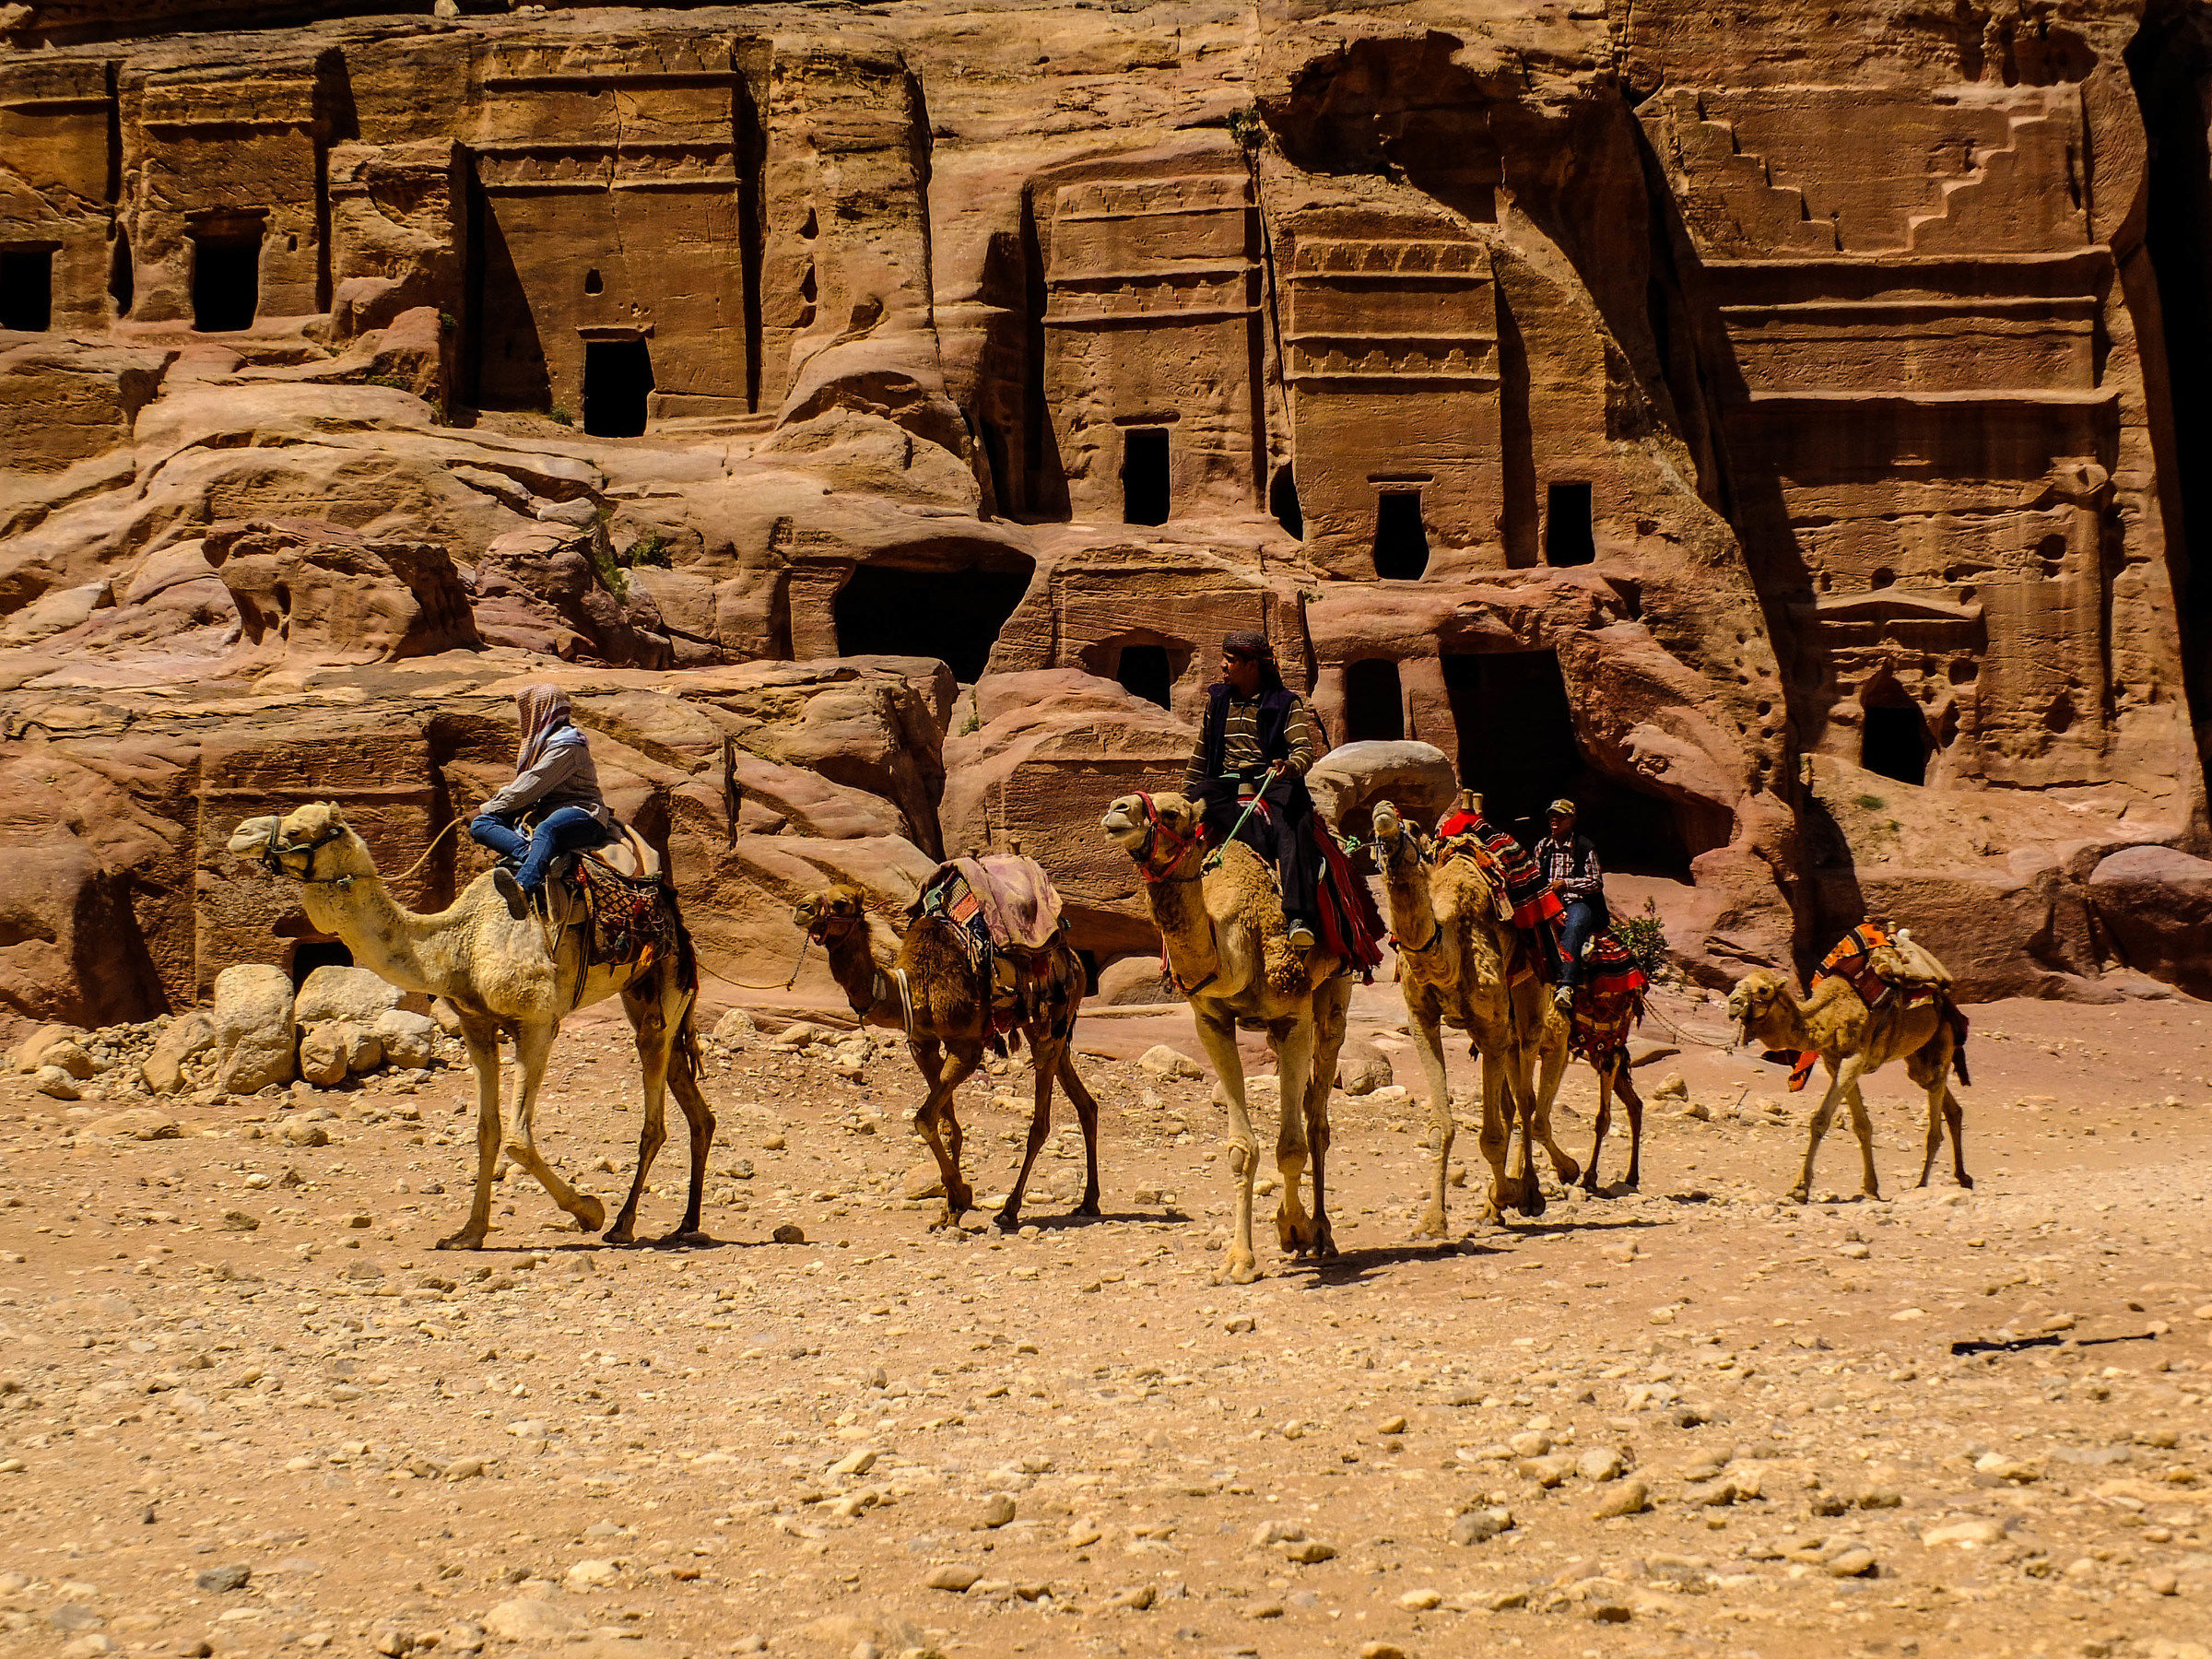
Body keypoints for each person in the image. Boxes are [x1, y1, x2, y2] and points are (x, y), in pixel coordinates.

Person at [1182, 629, 1323, 951]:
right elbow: (1201, 754)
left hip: (1272, 781)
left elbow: (1303, 749)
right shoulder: (1217, 701)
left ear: (1252, 665)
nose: (1222, 666)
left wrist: (1290, 767)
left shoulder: (1285, 703)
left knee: (1294, 822)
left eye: (1230, 660)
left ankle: (1299, 917)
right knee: (1193, 805)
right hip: (1227, 784)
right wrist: (1186, 796)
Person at [469, 684, 617, 907]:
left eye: (527, 710)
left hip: (582, 814)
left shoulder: (567, 745)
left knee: (548, 828)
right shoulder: (543, 744)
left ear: (541, 709)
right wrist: (485, 814)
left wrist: (484, 807)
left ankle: (523, 887)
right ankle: (534, 856)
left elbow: (529, 787)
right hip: (545, 813)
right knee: (481, 825)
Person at [1536, 797, 1608, 1007]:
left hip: (1577, 902)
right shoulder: (1542, 846)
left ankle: (1566, 984)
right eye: (1552, 815)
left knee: (1575, 925)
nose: (1554, 819)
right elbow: (1534, 876)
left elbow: (1596, 882)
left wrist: (1565, 885)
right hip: (1548, 903)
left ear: (1571, 819)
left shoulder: (1584, 847)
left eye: (1559, 816)